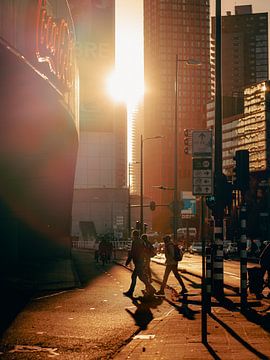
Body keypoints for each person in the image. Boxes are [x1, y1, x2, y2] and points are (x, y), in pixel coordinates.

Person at [123, 230, 156, 298]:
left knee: (134, 276)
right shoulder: (142, 241)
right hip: (141, 261)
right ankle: (152, 289)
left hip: (138, 261)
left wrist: (127, 261)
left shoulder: (135, 242)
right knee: (141, 277)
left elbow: (133, 252)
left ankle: (130, 291)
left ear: (134, 235)